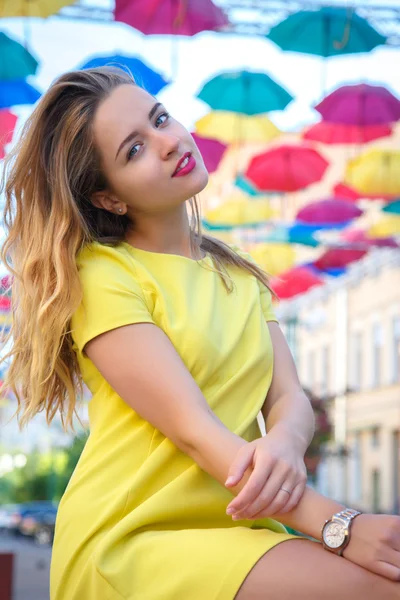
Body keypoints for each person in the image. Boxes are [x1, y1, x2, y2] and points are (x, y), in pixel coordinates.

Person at [0, 66, 398, 600]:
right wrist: (340, 525)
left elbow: (289, 398)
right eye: (134, 150)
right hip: (135, 537)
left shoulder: (238, 275)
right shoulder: (103, 275)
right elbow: (195, 430)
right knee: (376, 584)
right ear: (107, 198)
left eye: (160, 118)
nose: (167, 143)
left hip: (240, 522)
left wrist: (283, 439)